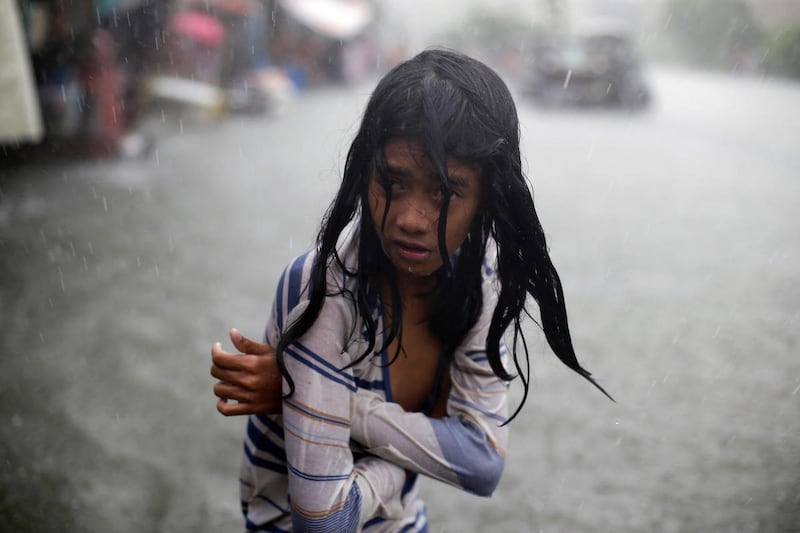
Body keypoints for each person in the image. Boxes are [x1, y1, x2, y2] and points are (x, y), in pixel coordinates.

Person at [210, 48, 610, 532]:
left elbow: (483, 463)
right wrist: (424, 445)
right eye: (392, 182)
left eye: (444, 193)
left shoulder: (478, 284)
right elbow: (325, 525)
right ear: (365, 174)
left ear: (486, 199)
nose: (411, 219)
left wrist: (317, 402)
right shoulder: (322, 291)